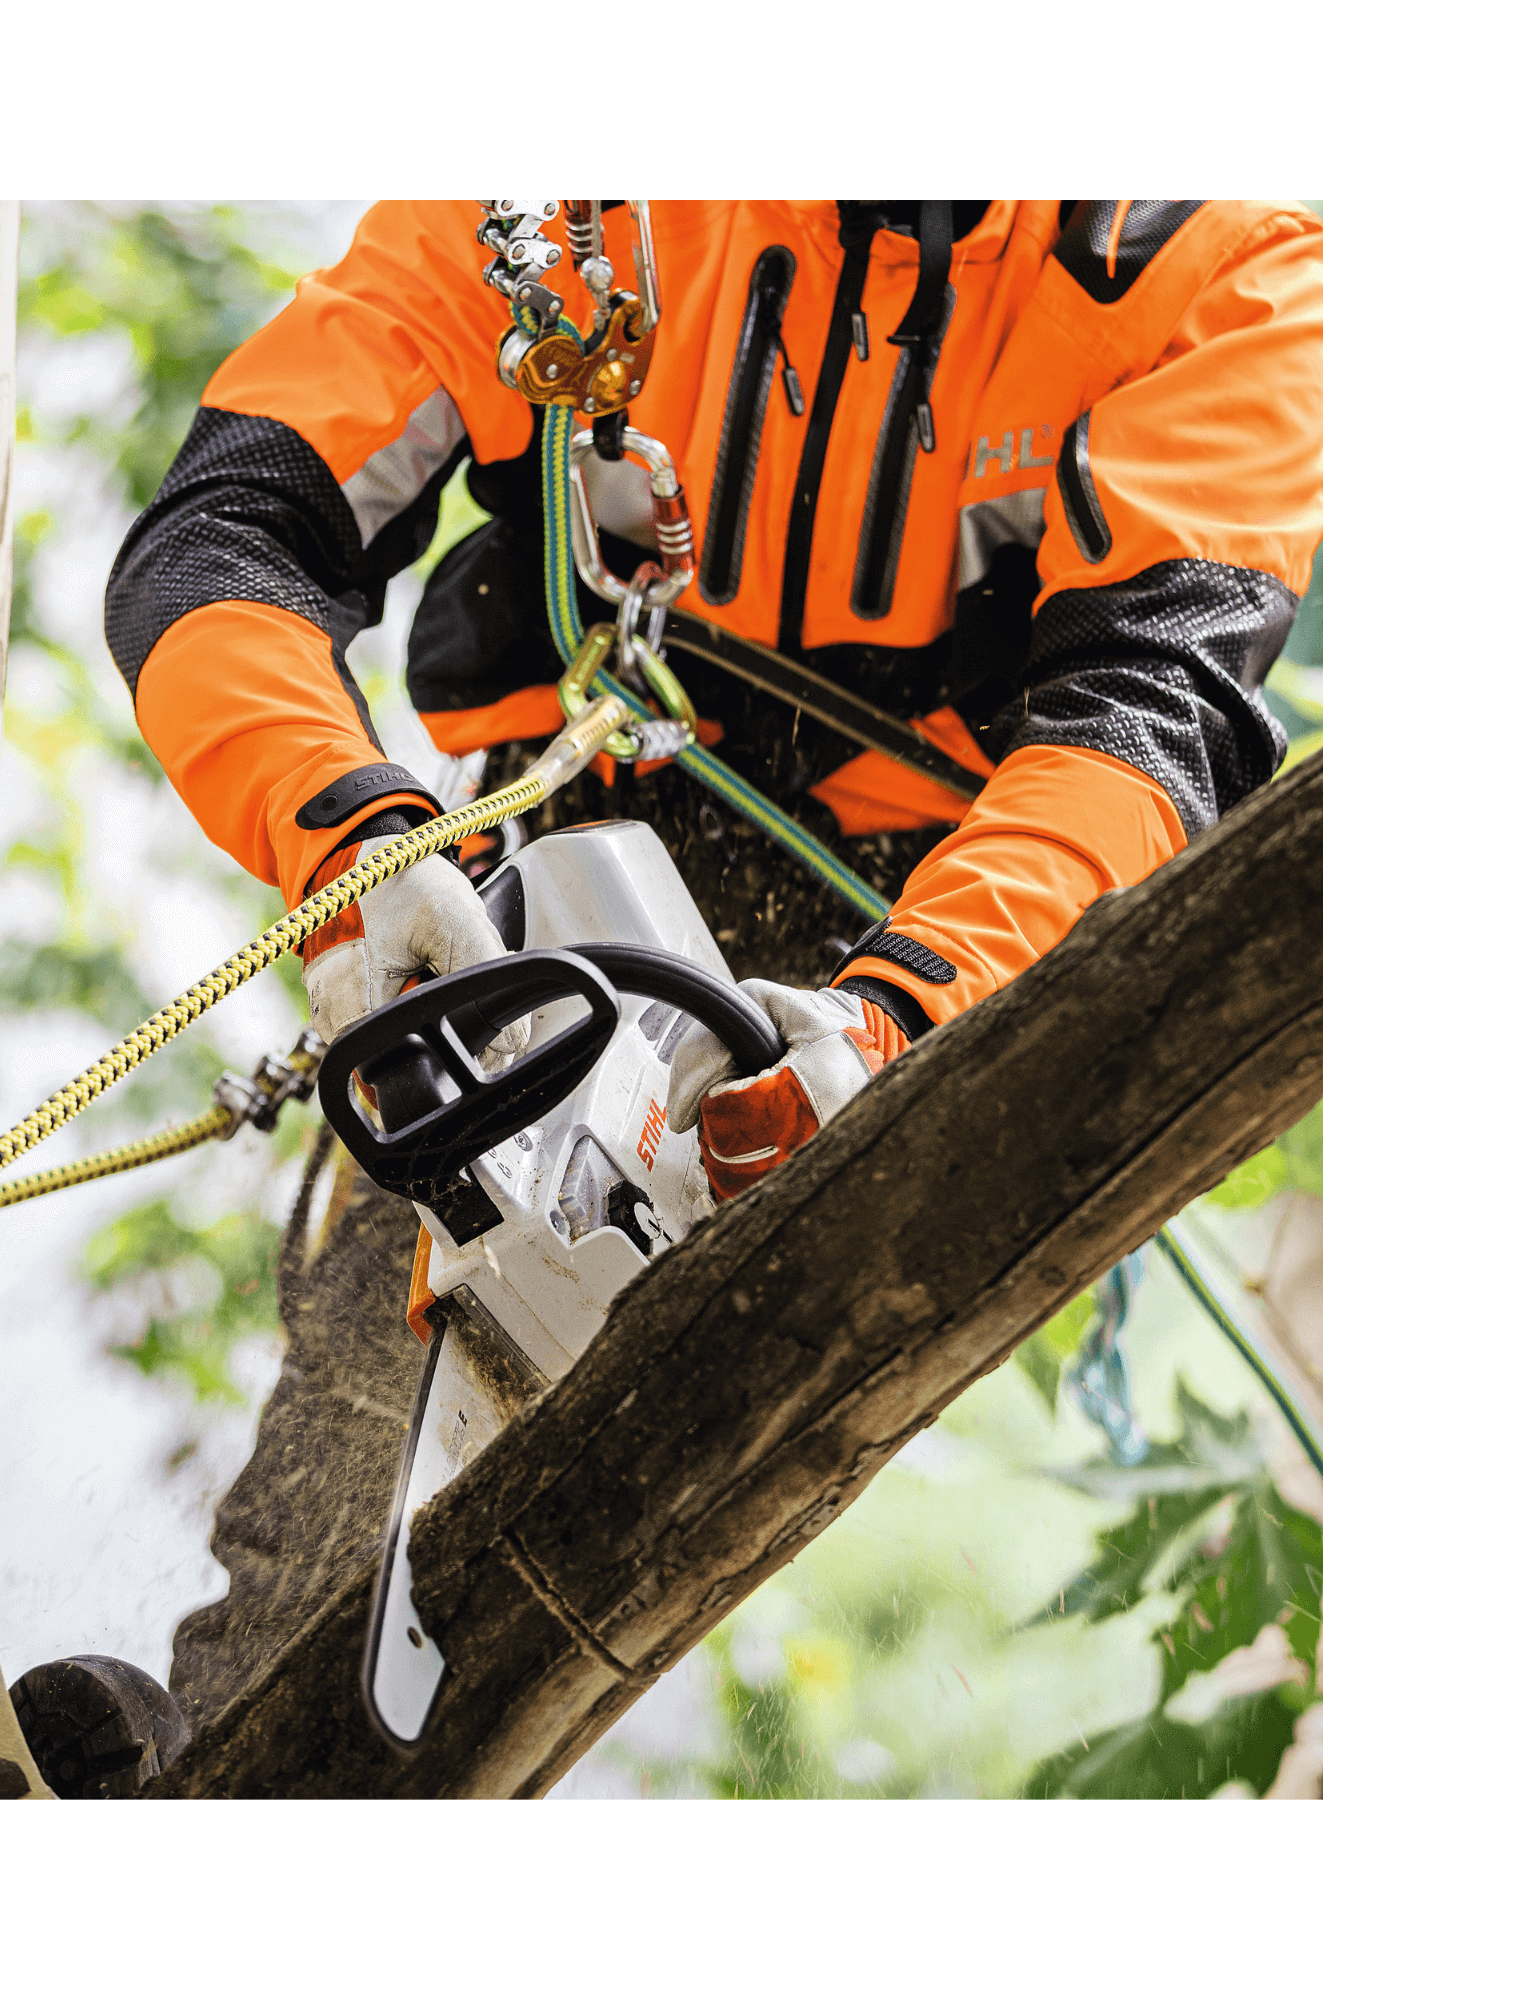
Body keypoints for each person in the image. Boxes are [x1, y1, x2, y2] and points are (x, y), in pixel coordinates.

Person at [101, 201, 1321, 1716]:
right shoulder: (560, 205)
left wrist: (900, 1016)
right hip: (554, 837)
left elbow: (1145, 723)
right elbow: (224, 532)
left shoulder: (1217, 273)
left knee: (656, 1460)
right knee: (371, 1389)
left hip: (919, 914)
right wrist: (355, 843)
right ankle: (217, 1736)